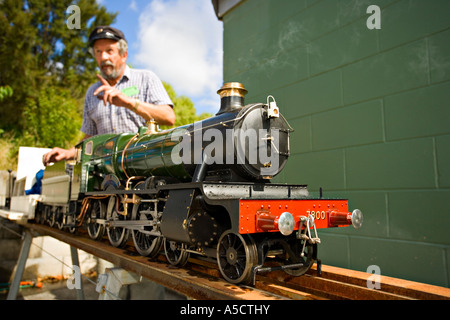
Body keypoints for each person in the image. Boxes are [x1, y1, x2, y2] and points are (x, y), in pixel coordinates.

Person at [42, 26, 175, 166]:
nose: (103, 57)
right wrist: (68, 153)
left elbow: (168, 117)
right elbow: (90, 138)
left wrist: (129, 103)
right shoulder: (92, 92)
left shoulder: (146, 78)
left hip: (142, 166)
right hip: (104, 172)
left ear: (124, 55)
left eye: (109, 51)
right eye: (98, 52)